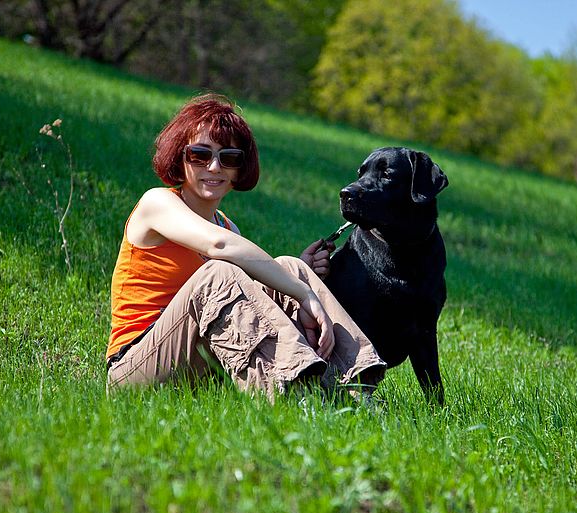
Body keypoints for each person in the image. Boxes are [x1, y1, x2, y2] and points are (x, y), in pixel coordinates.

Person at [105, 94, 386, 400]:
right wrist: (302, 293)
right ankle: (292, 394)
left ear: (240, 168)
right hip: (135, 369)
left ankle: (354, 390)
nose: (214, 167)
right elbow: (219, 247)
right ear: (179, 157)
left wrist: (296, 279)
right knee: (219, 274)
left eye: (229, 158)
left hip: (201, 368)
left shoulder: (226, 225)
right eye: (200, 154)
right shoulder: (157, 203)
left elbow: (248, 300)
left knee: (293, 268)